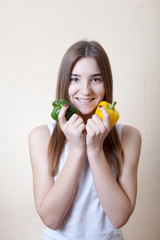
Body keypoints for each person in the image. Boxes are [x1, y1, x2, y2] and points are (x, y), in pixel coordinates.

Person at [28, 40, 142, 240]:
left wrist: (95, 150)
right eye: (75, 79)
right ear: (65, 82)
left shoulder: (129, 137)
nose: (86, 90)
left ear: (106, 84)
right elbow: (51, 219)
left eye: (96, 79)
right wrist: (77, 149)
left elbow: (119, 217)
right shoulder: (41, 136)